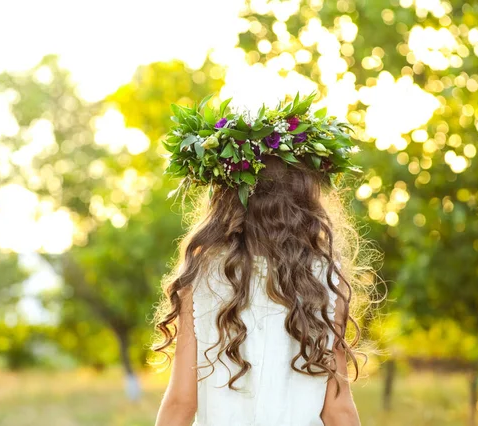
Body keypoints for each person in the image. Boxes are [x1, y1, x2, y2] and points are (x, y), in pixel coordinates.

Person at [153, 93, 374, 426]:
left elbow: (182, 403)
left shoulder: (203, 273)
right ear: (304, 198)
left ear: (229, 196)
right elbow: (337, 409)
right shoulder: (326, 278)